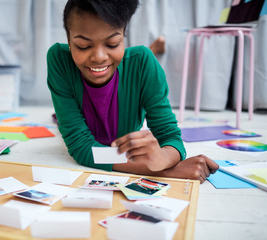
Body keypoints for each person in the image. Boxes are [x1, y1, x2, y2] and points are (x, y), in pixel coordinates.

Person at [47, 0, 219, 183]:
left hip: (134, 73)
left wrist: (162, 159)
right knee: (60, 119)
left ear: (124, 37)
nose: (98, 57)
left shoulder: (144, 62)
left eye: (112, 43)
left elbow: (171, 138)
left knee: (137, 62)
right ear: (69, 42)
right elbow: (82, 148)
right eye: (83, 46)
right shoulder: (59, 59)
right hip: (73, 118)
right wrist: (164, 171)